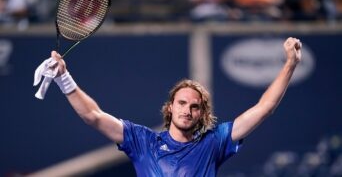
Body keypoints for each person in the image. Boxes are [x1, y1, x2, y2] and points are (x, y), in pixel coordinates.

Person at [34, 37, 302, 176]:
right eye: (182, 103)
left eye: (194, 107)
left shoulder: (214, 142)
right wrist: (63, 78)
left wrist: (290, 64)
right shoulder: (142, 141)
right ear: (170, 107)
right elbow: (93, 116)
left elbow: (264, 107)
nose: (187, 110)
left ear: (202, 114)